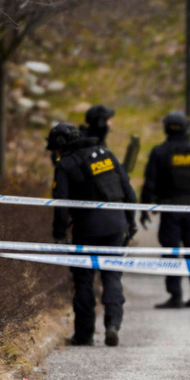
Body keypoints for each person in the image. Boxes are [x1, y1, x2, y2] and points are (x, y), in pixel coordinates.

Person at [47, 122, 138, 347]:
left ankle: (85, 334)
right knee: (112, 276)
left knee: (84, 280)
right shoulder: (106, 154)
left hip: (87, 228)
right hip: (117, 224)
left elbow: (61, 204)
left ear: (60, 146)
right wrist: (131, 221)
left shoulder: (66, 164)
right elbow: (127, 189)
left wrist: (59, 234)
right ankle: (112, 325)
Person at [139, 111, 190, 309]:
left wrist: (144, 209)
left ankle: (175, 296)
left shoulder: (159, 152)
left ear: (166, 128)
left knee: (171, 252)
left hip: (170, 210)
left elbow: (149, 184)